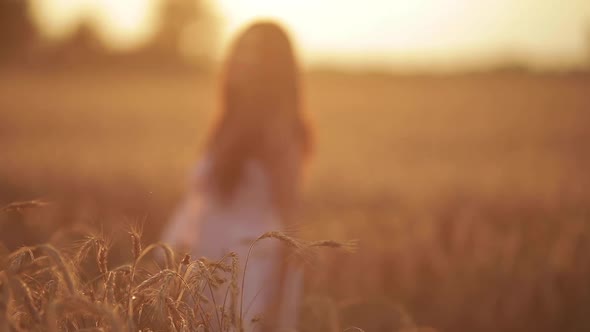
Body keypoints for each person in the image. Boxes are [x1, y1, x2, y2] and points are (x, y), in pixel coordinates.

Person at [162, 20, 312, 331]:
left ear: (274, 69)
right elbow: (199, 207)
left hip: (245, 277)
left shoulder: (279, 130)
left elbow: (291, 222)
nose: (243, 61)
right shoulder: (228, 122)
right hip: (204, 266)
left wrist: (278, 304)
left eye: (256, 54)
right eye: (240, 50)